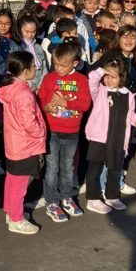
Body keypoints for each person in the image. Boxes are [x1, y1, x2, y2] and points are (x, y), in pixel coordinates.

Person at [36, 42, 91, 222]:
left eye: (63, 65)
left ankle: (66, 198)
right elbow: (42, 100)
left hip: (72, 131)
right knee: (51, 168)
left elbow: (85, 104)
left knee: (68, 167)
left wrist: (66, 103)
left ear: (75, 63)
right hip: (52, 130)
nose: (58, 68)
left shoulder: (82, 80)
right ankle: (52, 201)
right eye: (56, 63)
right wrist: (48, 107)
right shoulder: (49, 78)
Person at [85, 59, 136, 214]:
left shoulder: (129, 96)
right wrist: (102, 70)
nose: (109, 79)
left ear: (122, 77)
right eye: (107, 76)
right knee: (95, 168)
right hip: (99, 137)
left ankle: (112, 196)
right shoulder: (100, 91)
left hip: (118, 138)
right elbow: (91, 79)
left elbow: (130, 115)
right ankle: (92, 199)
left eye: (113, 76)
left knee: (115, 168)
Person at [0, 51, 46, 234]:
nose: (36, 68)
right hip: (26, 145)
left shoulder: (11, 88)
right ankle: (16, 219)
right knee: (20, 183)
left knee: (12, 179)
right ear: (25, 71)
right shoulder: (23, 93)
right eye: (33, 66)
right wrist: (40, 132)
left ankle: (11, 211)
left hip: (13, 143)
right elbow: (28, 121)